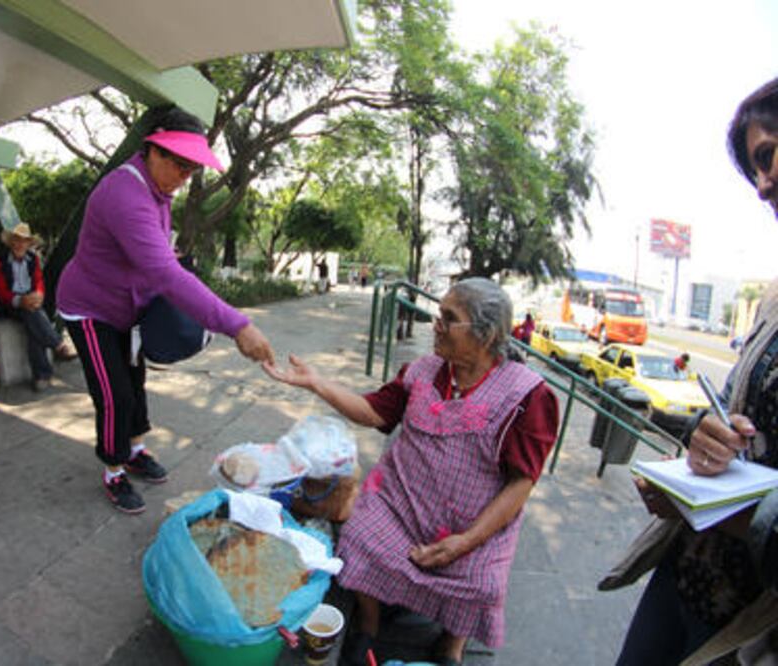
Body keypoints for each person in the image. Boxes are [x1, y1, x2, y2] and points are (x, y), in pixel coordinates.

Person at [264, 277, 559, 665]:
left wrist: (467, 540)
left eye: (449, 318)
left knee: (482, 582)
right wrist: (317, 383)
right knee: (359, 537)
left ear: (485, 335)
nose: (436, 325)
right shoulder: (424, 371)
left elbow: (522, 482)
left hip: (473, 524)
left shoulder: (527, 397)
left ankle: (451, 646)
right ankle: (368, 625)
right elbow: (373, 411)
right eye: (438, 314)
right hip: (401, 504)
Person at [602, 77, 778, 665]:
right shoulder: (774, 303)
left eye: (770, 154)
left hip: (750, 627)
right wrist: (703, 448)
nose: (763, 184)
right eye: (756, 165)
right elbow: (727, 409)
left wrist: (734, 511)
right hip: (686, 576)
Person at [56, 107, 275, 515]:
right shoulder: (125, 193)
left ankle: (135, 449)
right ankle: (113, 468)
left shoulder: (159, 193)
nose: (183, 177)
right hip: (89, 308)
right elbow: (165, 275)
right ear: (152, 149)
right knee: (114, 392)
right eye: (178, 164)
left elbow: (154, 256)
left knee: (135, 382)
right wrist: (238, 325)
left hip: (127, 307)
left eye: (191, 170)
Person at [0, 222, 75, 391]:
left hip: (29, 304)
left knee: (32, 321)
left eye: (24, 241)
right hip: (10, 306)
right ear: (11, 242)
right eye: (16, 240)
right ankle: (57, 345)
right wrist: (20, 301)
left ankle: (42, 376)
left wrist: (38, 295)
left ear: (29, 244)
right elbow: (2, 293)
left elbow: (38, 282)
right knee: (32, 313)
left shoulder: (33, 260)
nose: (19, 244)